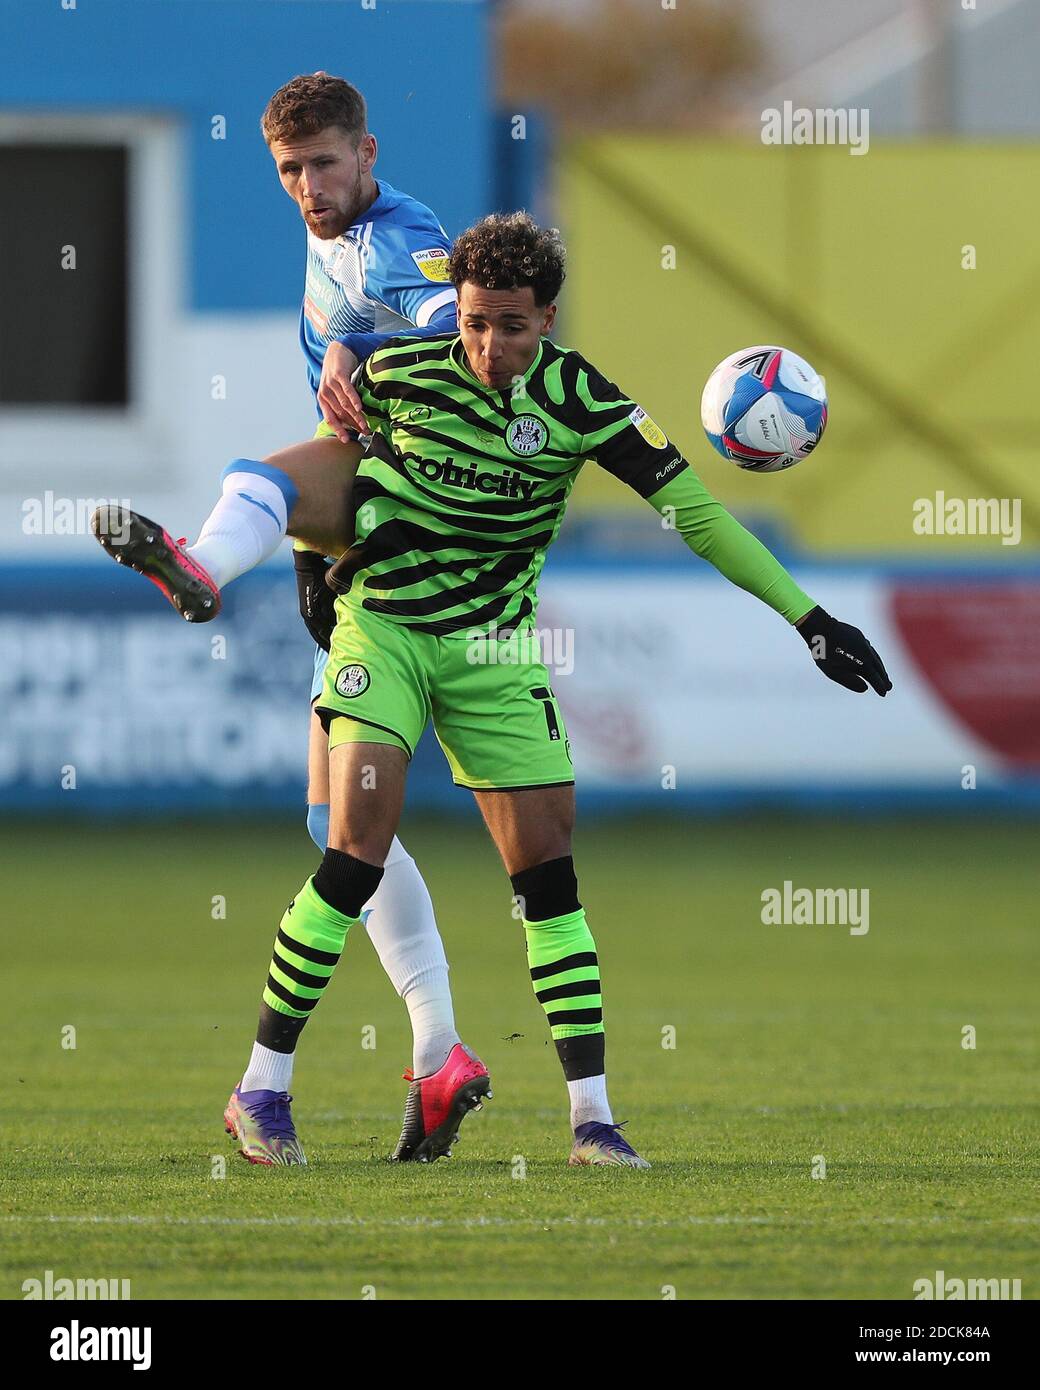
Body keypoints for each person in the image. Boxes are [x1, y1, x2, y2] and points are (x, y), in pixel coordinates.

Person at [248, 211, 892, 1169]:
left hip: (496, 657)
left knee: (549, 882)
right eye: (471, 321)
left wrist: (809, 619)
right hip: (382, 631)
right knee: (352, 850)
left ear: (547, 317)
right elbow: (315, 468)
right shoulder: (393, 371)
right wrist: (309, 561)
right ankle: (262, 1092)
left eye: (511, 324)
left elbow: (701, 519)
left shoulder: (584, 400)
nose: (487, 345)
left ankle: (593, 1122)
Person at [92, 73, 487, 1165]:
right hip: (368, 537)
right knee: (338, 832)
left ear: (368, 152)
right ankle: (440, 1051)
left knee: (256, 477)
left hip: (411, 511)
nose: (308, 187)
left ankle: (201, 567)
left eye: (323, 163)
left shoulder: (395, 238)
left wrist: (370, 355)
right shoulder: (335, 235)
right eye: (288, 171)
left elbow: (465, 341)